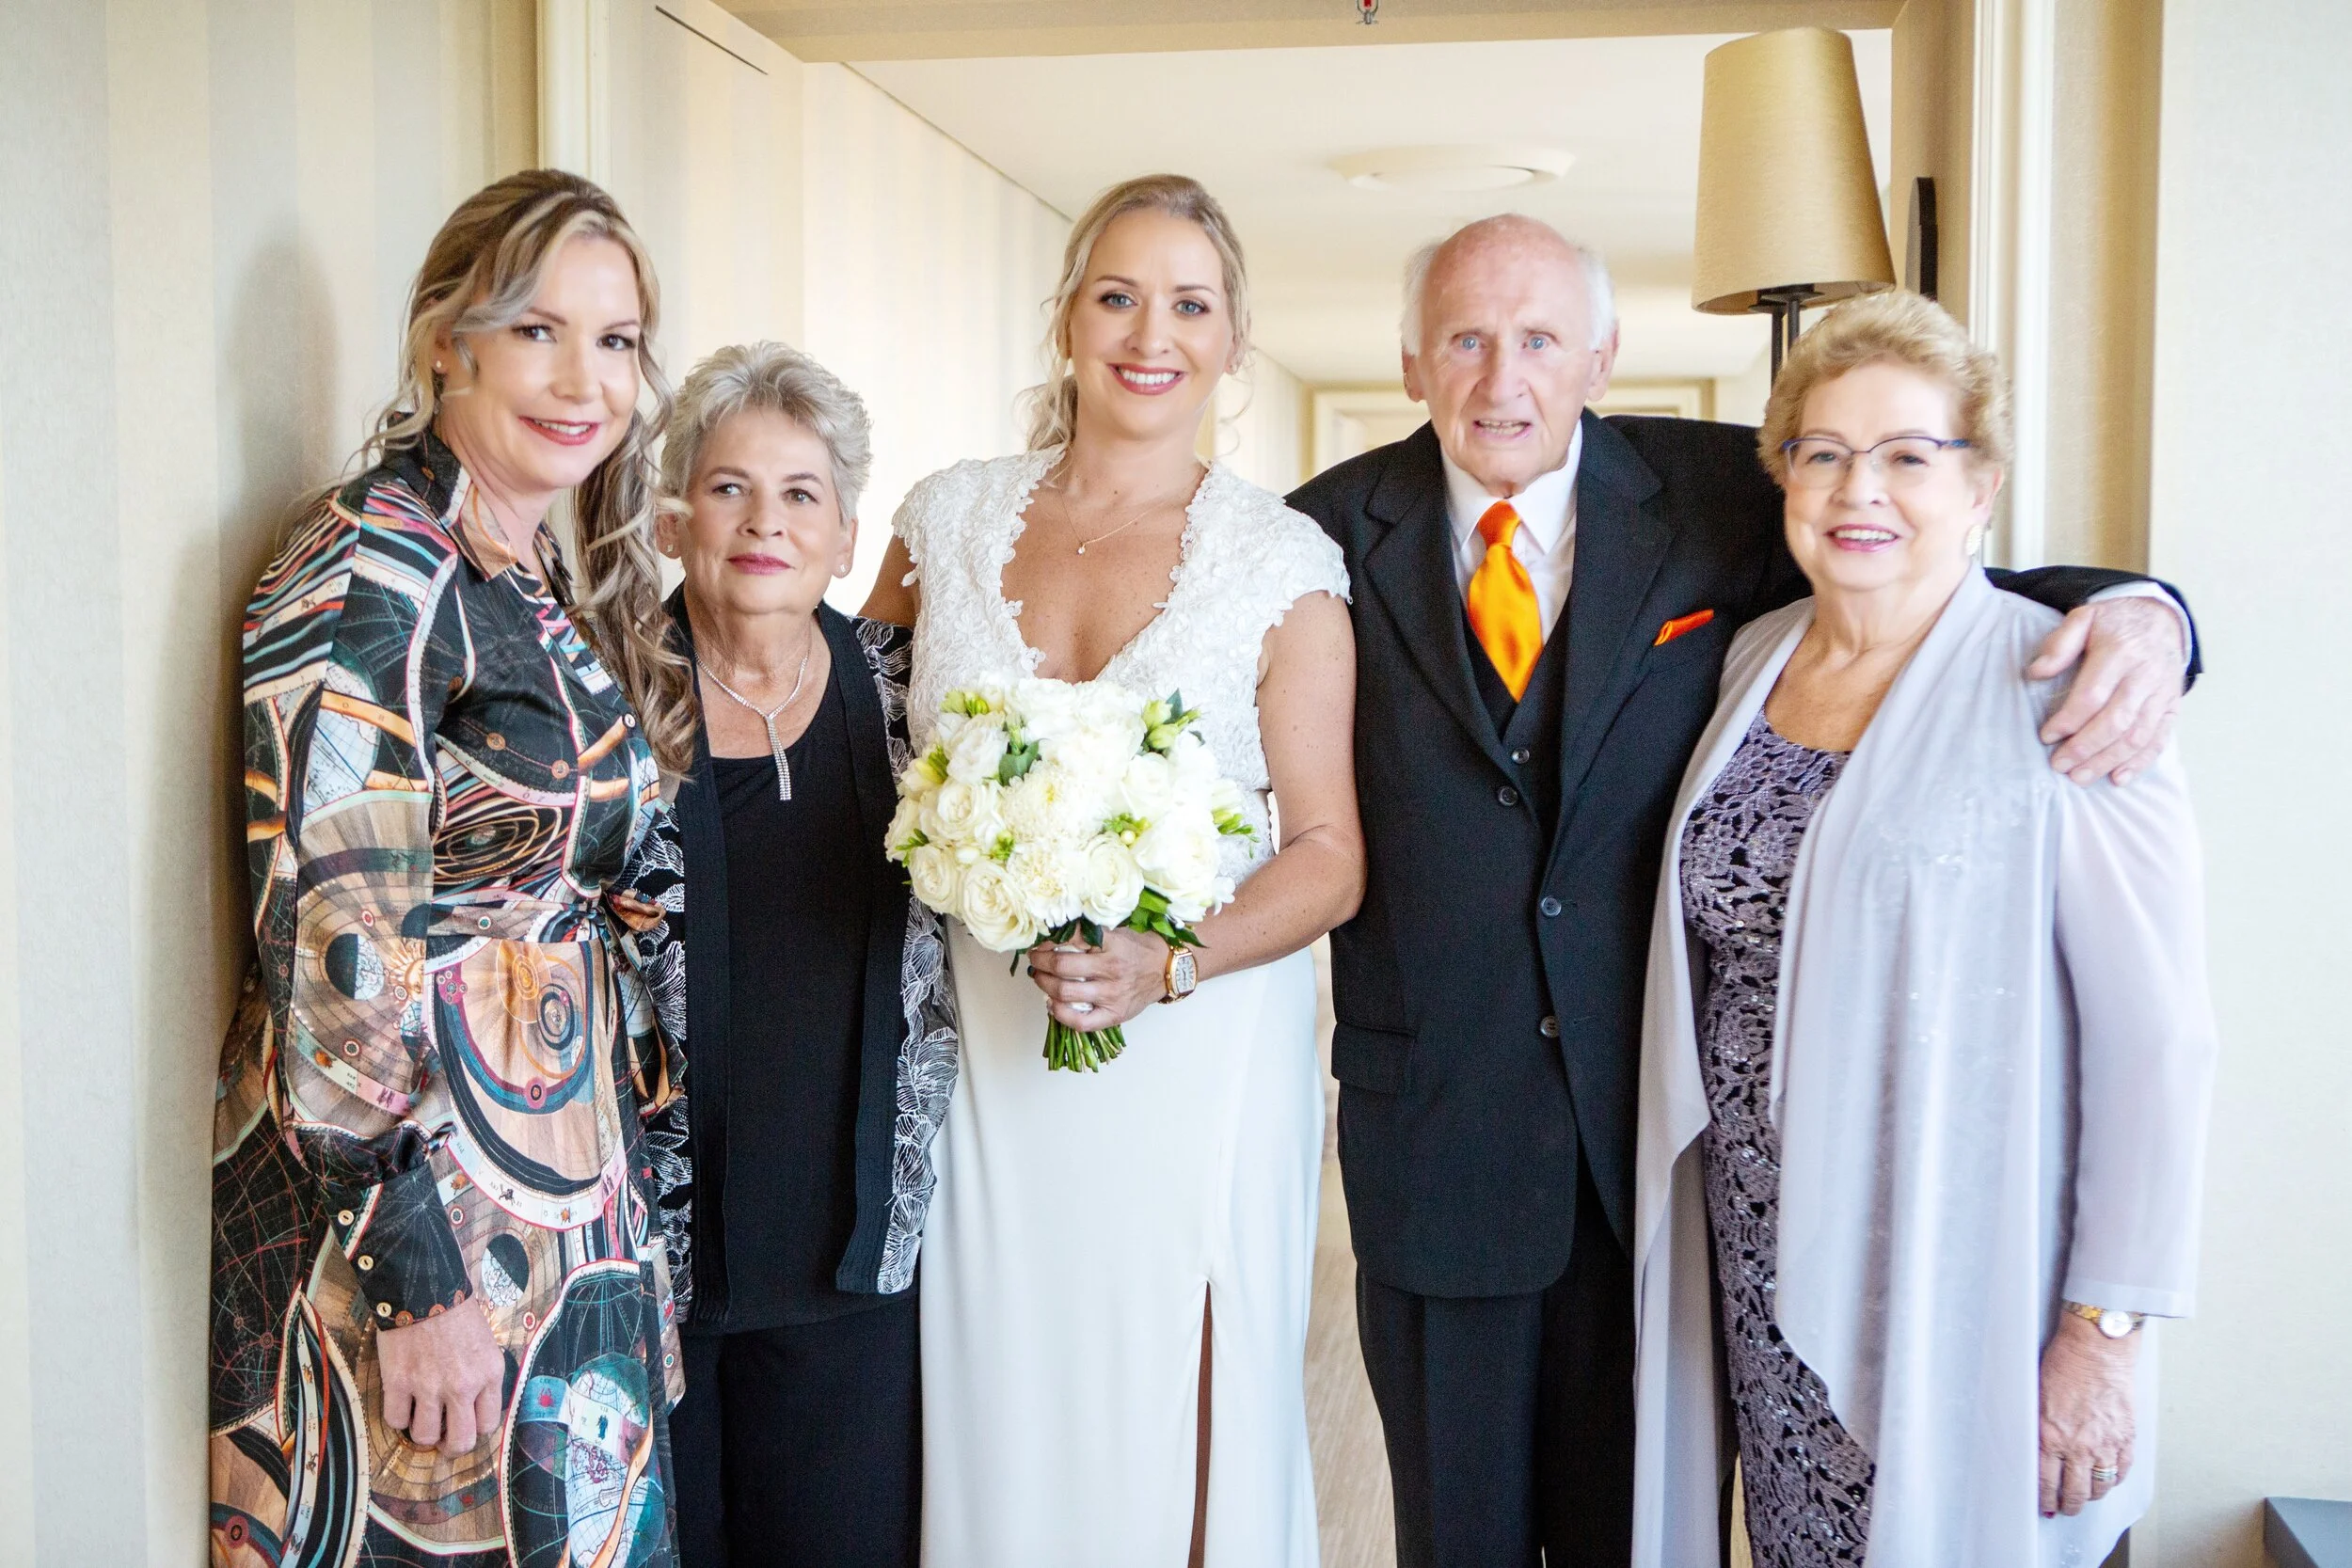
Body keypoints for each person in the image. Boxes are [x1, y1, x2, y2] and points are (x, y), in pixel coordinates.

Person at [1282, 215, 2201, 1568]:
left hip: (1695, 1183)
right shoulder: (1319, 537)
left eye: (1540, 337)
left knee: (1642, 1523)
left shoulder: (1719, 494)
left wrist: (2151, 611)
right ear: (1413, 360)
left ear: (1602, 352)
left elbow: (1941, 580)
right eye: (1467, 339)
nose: (1503, 379)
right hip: (1469, 1146)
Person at [1629, 290, 2216, 1566]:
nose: (1861, 489)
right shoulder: (1750, 661)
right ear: (1782, 475)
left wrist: (2102, 1334)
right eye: (1824, 452)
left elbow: (2157, 1039)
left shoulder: (2067, 682)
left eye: (1909, 453)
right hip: (1761, 1249)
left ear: (1982, 483)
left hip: (1966, 1259)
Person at [861, 173, 1364, 1567]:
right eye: (1119, 294)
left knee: (1181, 1391)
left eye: (1190, 304)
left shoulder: (1282, 563)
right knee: (1001, 1386)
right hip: (988, 1046)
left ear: (1231, 342)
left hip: (1197, 1050)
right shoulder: (946, 518)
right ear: (1069, 318)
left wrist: (1171, 954)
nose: (1153, 332)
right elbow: (842, 743)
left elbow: (1329, 854)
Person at [208, 169, 691, 1566]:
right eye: (537, 329)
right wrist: (418, 1279)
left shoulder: (532, 568)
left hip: (551, 1204)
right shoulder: (374, 565)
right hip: (419, 1228)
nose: (581, 379)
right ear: (444, 337)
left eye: (615, 340)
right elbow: (330, 941)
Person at [629, 341, 957, 1567]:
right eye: (728, 487)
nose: (764, 521)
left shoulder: (909, 697)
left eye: (800, 493)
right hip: (641, 1272)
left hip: (855, 1267)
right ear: (675, 517)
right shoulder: (599, 697)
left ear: (845, 528)